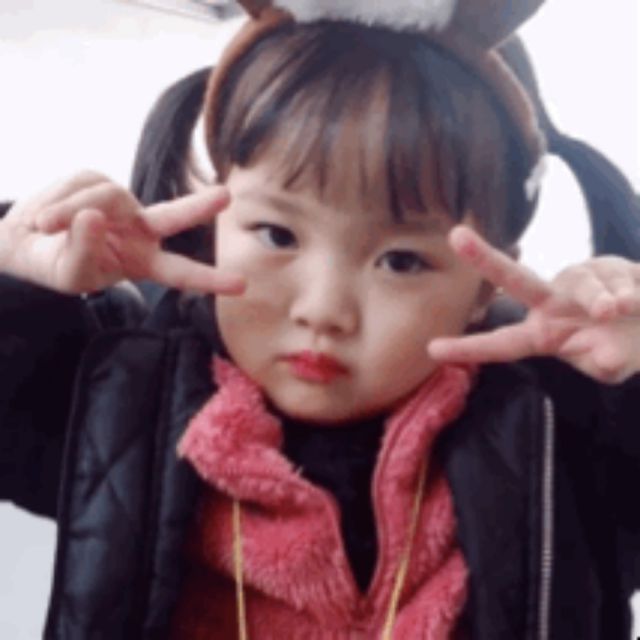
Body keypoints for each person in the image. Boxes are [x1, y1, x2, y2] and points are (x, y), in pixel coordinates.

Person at [1, 1, 640, 639]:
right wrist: (14, 270)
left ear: (484, 288)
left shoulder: (556, 434)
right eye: (277, 234)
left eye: (401, 261)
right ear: (216, 220)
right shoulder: (124, 394)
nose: (323, 310)